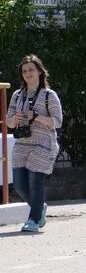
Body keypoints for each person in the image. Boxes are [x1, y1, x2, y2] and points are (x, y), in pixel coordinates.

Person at [5, 55, 63, 232]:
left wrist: (36, 116)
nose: (27, 73)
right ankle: (39, 208)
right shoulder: (17, 95)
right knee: (21, 185)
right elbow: (8, 122)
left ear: (39, 71)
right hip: (22, 142)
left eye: (31, 69)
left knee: (35, 182)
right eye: (24, 71)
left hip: (44, 143)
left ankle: (34, 220)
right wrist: (15, 119)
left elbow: (57, 121)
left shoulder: (48, 95)